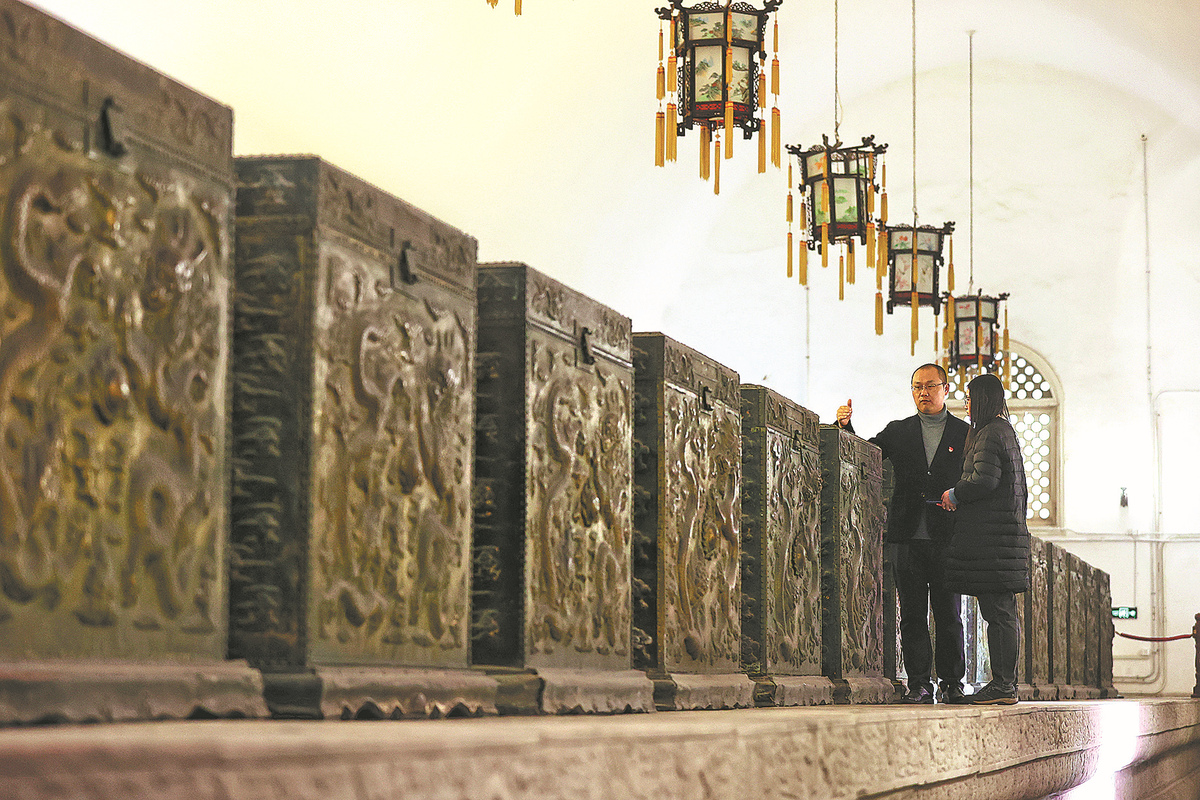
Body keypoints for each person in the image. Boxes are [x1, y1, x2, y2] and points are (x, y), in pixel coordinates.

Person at [836, 364, 968, 704]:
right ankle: (919, 684)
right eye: (917, 387)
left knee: (949, 614)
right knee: (911, 614)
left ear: (945, 389)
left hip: (948, 536)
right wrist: (845, 427)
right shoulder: (899, 431)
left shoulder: (964, 433)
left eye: (930, 386)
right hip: (906, 535)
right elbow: (865, 455)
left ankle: (952, 683)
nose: (923, 392)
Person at [939, 372, 1031, 705]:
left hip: (994, 541)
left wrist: (954, 493)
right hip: (1001, 538)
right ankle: (1005, 684)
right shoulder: (1003, 431)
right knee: (1002, 613)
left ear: (981, 399)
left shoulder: (991, 432)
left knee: (999, 614)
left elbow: (983, 480)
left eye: (968, 398)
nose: (965, 403)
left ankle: (1004, 686)